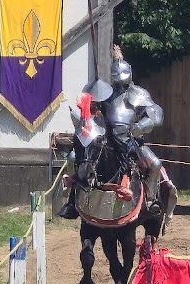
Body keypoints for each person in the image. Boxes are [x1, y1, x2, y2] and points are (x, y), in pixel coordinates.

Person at [59, 46, 166, 220]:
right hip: (105, 139)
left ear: (129, 73)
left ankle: (150, 200)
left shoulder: (138, 93)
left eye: (121, 75)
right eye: (115, 76)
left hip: (130, 140)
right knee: (73, 158)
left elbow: (156, 113)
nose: (118, 80)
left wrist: (141, 126)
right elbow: (92, 110)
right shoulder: (106, 93)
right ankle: (72, 199)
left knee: (154, 164)